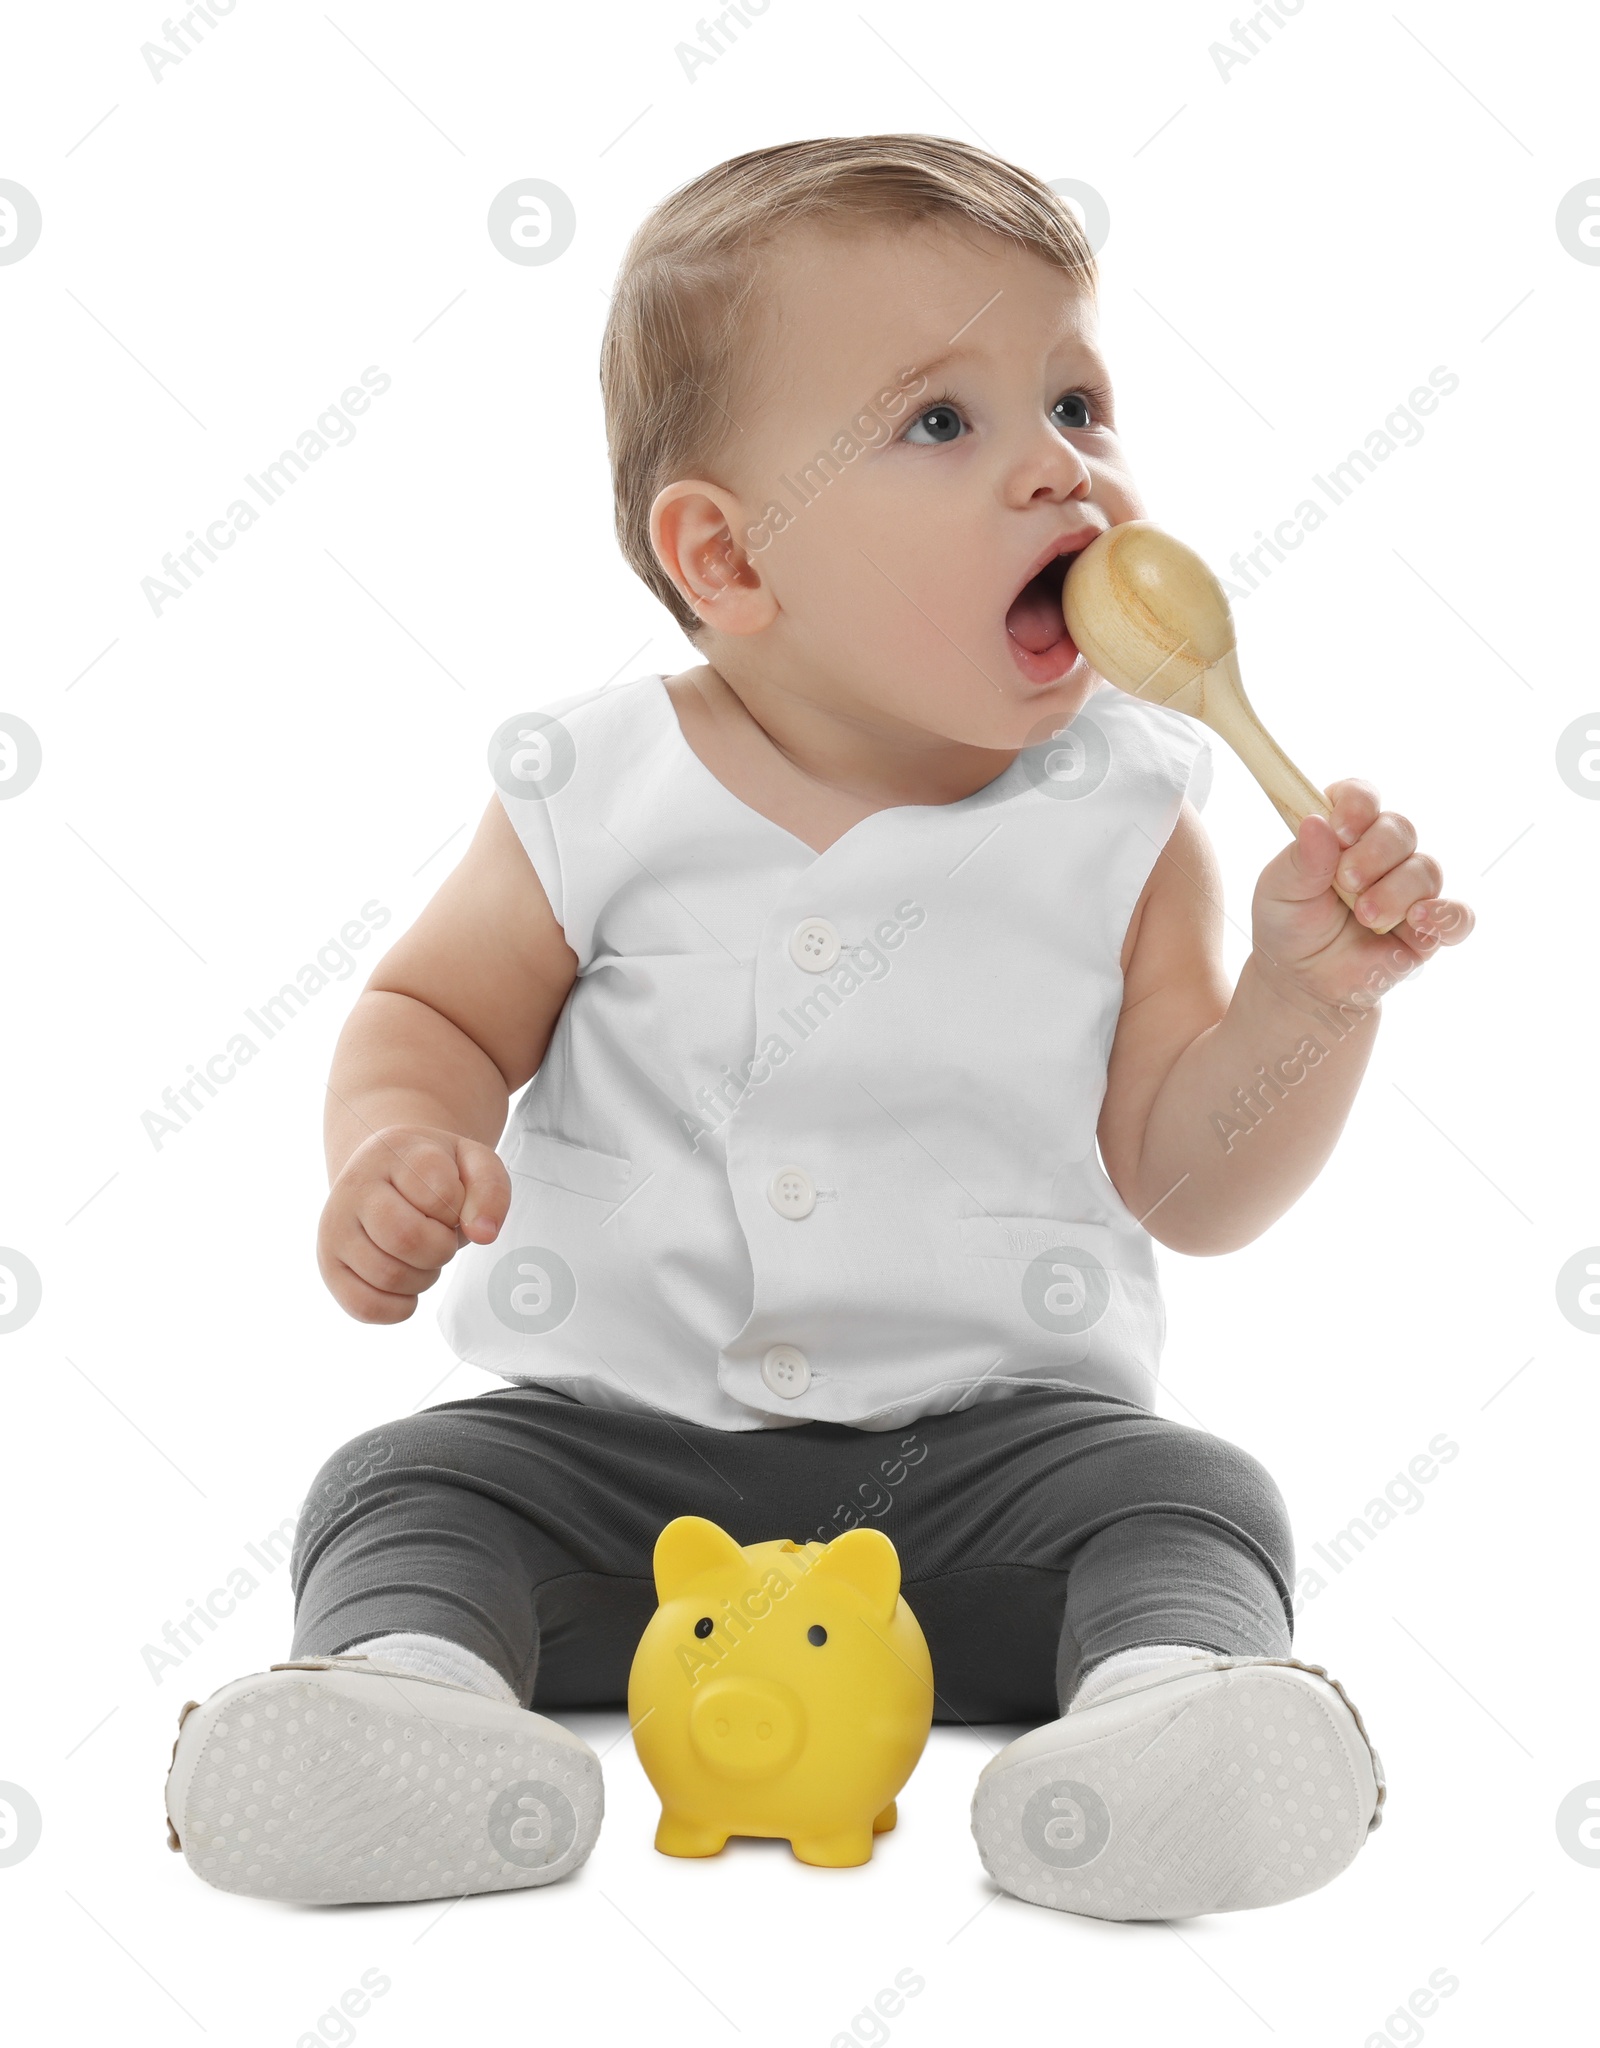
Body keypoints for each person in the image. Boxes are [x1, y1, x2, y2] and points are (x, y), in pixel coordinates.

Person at [163, 134, 1470, 1917]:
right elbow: (432, 1011)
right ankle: (403, 1708)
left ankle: (1170, 1716)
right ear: (726, 557)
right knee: (410, 1483)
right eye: (945, 423)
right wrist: (402, 1144)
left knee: (1188, 1493)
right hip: (614, 1475)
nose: (1059, 472)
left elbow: (1189, 1182)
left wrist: (1307, 1001)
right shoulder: (594, 784)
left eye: (1078, 400)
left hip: (992, 1479)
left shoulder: (1131, 809)